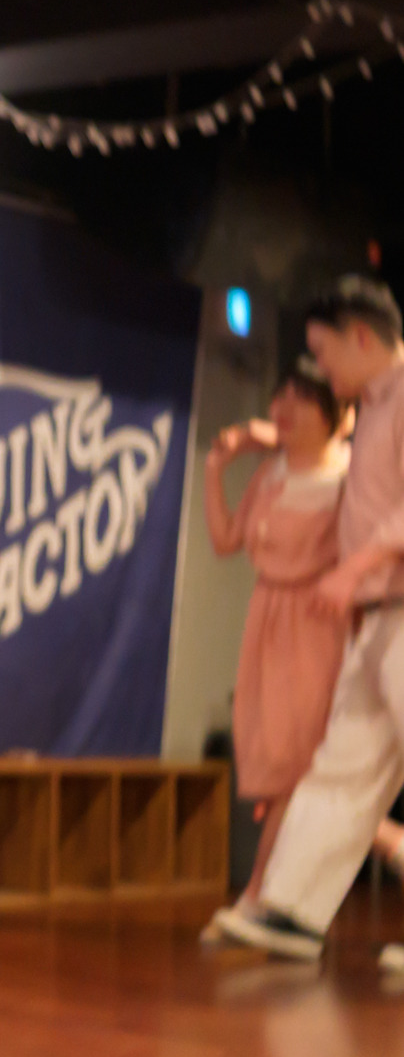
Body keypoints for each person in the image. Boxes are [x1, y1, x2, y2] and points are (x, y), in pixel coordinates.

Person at [222, 276, 404, 971]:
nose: (321, 369)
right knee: (341, 765)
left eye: (324, 354)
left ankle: (288, 906)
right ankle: (291, 909)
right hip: (378, 615)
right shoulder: (374, 406)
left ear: (360, 336)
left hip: (394, 600)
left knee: (343, 765)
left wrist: (355, 568)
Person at [196, 355, 360, 941]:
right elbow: (225, 539)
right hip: (265, 625)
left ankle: (258, 897)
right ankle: (269, 901)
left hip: (318, 629)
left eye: (303, 398)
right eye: (281, 395)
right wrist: (215, 469)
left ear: (336, 413)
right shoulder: (271, 473)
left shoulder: (349, 478)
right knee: (277, 770)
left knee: (299, 769)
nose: (284, 407)